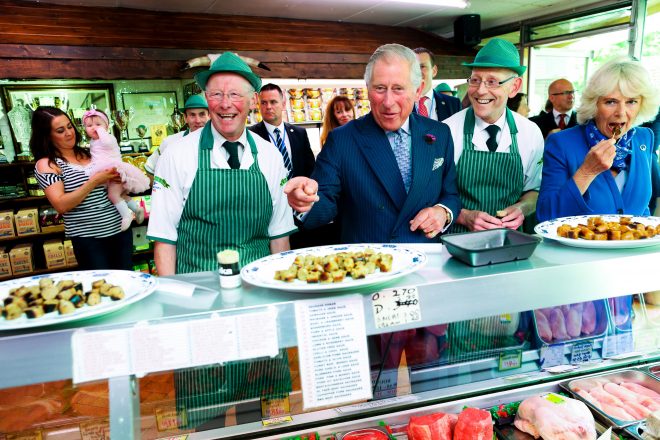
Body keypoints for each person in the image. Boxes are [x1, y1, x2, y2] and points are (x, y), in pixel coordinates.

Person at [285, 43, 461, 243]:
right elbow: (324, 202)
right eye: (380, 88)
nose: (388, 102)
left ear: (418, 90)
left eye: (398, 89)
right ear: (367, 89)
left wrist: (443, 212)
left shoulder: (440, 133)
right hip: (368, 266)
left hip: (426, 262)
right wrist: (304, 202)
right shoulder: (342, 140)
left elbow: (451, 194)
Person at [147, 52, 296, 275]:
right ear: (207, 99)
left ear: (252, 101)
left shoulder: (270, 155)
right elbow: (165, 238)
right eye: (216, 94)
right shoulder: (176, 154)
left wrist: (283, 293)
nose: (225, 104)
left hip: (259, 286)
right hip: (198, 290)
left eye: (235, 94)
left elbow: (279, 235)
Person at [537, 59, 660, 221]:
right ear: (594, 104)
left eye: (631, 101)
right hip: (580, 246)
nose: (621, 112)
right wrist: (587, 172)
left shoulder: (643, 138)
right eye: (610, 102)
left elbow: (641, 208)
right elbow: (546, 215)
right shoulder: (561, 143)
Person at [443, 38, 544, 233]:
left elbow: (534, 191)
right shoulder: (447, 130)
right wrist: (463, 215)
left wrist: (522, 208)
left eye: (492, 82)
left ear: (514, 87)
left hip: (509, 243)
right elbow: (430, 195)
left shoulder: (530, 133)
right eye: (475, 80)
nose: (480, 90)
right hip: (456, 244)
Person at [30, 106, 133, 270]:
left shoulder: (90, 152)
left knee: (128, 283)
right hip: (89, 240)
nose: (69, 133)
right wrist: (94, 181)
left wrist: (122, 180)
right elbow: (61, 205)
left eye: (70, 126)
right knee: (102, 290)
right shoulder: (47, 164)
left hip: (120, 230)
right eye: (60, 130)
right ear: (47, 135)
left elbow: (112, 189)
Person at [83, 109, 148, 231]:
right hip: (105, 171)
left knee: (113, 195)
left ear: (107, 127)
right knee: (121, 194)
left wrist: (101, 132)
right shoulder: (93, 141)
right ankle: (137, 209)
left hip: (114, 170)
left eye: (98, 124)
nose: (94, 128)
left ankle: (126, 216)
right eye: (89, 125)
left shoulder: (108, 138)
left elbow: (107, 143)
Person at [249, 83, 315, 179]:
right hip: (268, 192)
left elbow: (310, 168)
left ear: (283, 104)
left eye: (273, 102)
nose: (268, 107)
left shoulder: (300, 133)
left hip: (297, 191)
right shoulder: (251, 135)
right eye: (263, 103)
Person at [144, 94, 209, 176]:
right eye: (192, 115)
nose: (198, 120)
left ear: (209, 116)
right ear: (185, 118)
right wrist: (163, 187)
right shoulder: (170, 142)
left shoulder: (220, 141)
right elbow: (149, 168)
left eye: (202, 114)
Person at [413, 47, 461, 121]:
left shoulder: (453, 104)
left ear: (434, 71)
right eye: (413, 67)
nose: (417, 72)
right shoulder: (399, 103)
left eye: (422, 66)